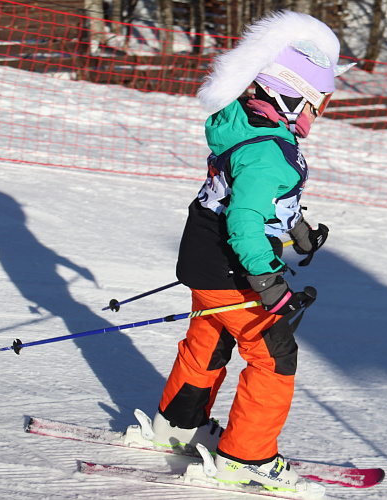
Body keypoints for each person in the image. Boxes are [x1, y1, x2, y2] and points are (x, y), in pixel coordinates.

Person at [143, 9, 353, 493]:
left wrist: (298, 233)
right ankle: (246, 456)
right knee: (273, 354)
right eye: (314, 105)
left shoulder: (240, 128)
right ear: (288, 95)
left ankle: (177, 426)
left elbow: (256, 201)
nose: (314, 117)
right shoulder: (270, 152)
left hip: (202, 259)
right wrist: (267, 280)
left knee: (210, 337)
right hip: (234, 267)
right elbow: (245, 222)